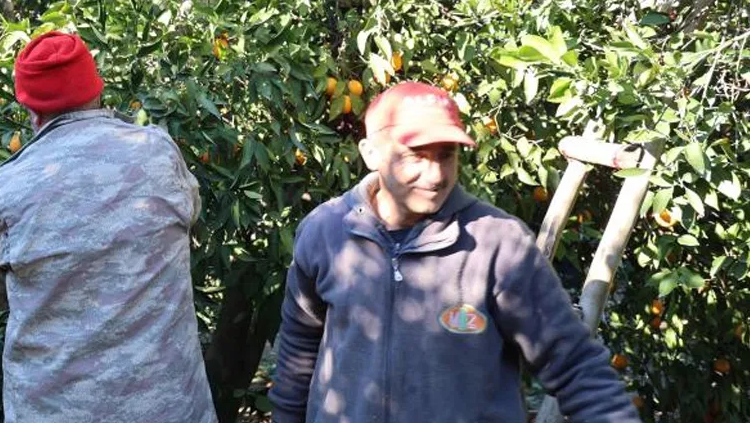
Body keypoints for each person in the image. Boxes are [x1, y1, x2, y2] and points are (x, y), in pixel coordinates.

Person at [270, 81, 641, 422]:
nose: (435, 176)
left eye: (446, 156)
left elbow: (575, 366)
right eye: (416, 155)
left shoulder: (498, 245)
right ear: (370, 153)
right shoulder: (327, 232)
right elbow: (299, 353)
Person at [0, 31, 217, 423]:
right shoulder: (158, 153)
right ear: (96, 90)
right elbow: (189, 217)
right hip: (169, 408)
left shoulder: (5, 190)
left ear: (31, 110)